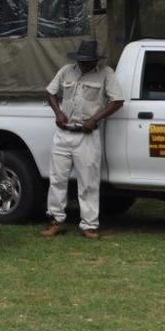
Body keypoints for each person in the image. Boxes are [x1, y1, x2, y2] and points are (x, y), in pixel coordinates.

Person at [41, 40, 124, 240]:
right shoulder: (67, 70)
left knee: (88, 181)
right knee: (57, 179)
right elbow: (50, 92)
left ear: (95, 60)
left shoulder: (106, 73)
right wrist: (58, 113)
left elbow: (118, 101)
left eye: (88, 61)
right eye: (82, 60)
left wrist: (95, 119)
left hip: (87, 135)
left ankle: (89, 225)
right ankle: (56, 220)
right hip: (64, 132)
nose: (85, 64)